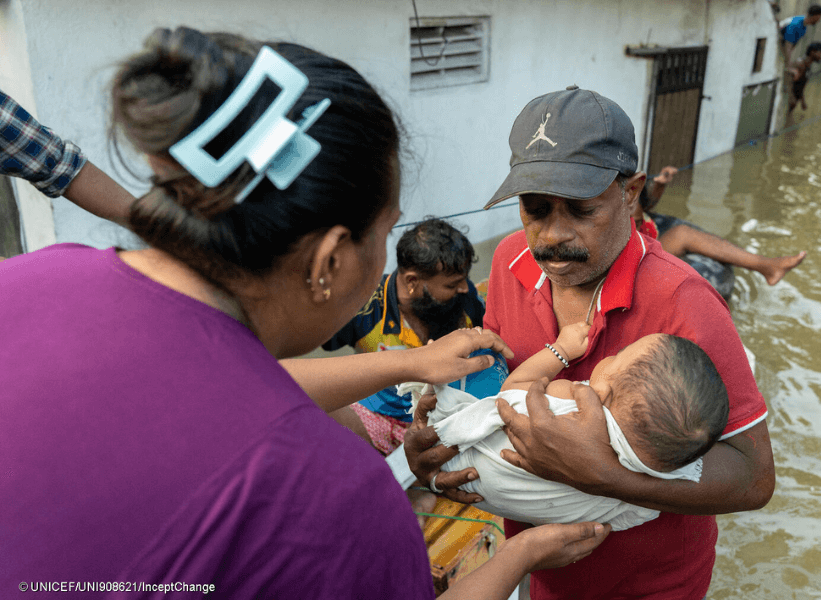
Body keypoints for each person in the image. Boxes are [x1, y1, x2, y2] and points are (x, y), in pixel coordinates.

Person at [0, 32, 611, 599]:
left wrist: (411, 361)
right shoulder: (333, 497)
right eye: (386, 231)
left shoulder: (39, 274)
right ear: (329, 260)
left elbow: (216, 392)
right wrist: (523, 553)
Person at [405, 86, 775, 600]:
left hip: (652, 585)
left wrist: (607, 478)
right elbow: (497, 389)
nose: (552, 235)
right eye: (534, 209)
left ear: (630, 192)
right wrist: (437, 450)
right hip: (541, 569)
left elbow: (754, 480)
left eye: (580, 209)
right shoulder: (510, 267)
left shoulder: (685, 302)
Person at [412, 321, 728, 530]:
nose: (612, 355)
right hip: (507, 500)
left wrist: (560, 351)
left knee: (478, 357)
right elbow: (612, 524)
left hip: (460, 465)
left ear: (601, 393)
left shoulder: (565, 405)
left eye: (618, 356)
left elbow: (514, 389)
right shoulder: (660, 484)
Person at [323, 217, 485, 455]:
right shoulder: (363, 307)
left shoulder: (466, 298)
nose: (463, 288)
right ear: (412, 282)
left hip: (445, 416)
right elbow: (318, 340)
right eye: (452, 285)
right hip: (379, 417)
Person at [636, 165, 806, 294]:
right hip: (632, 256)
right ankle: (767, 266)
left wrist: (658, 185)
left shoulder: (627, 192)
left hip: (645, 240)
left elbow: (645, 206)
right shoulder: (615, 201)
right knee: (682, 234)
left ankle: (766, 266)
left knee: (682, 233)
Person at [788, 42, 821, 113]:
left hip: (792, 103)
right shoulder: (800, 64)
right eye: (820, 53)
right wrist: (791, 97)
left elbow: (800, 85)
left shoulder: (808, 66)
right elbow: (788, 81)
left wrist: (802, 101)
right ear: (812, 52)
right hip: (788, 102)